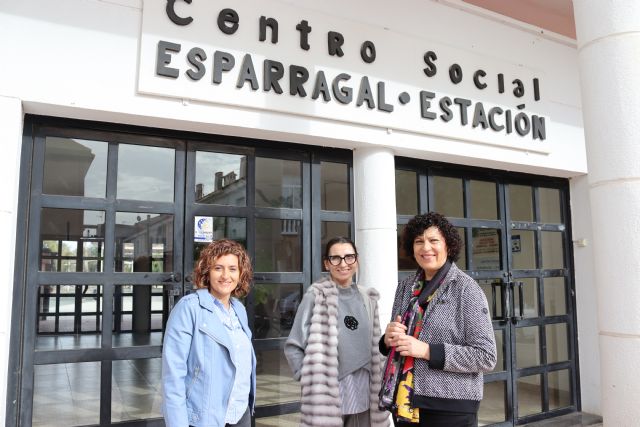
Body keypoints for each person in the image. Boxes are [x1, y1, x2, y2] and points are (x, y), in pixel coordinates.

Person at [379, 212, 497, 427]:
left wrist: (426, 350)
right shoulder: (406, 286)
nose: (426, 248)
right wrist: (387, 339)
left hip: (449, 408)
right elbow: (401, 340)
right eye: (418, 241)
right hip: (404, 401)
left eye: (434, 240)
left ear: (448, 246)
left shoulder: (466, 289)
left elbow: (485, 356)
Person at [285, 237, 390, 427]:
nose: (343, 264)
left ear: (356, 261)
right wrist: (311, 381)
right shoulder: (316, 296)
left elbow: (376, 345)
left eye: (349, 257)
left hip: (367, 389)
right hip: (331, 393)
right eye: (336, 258)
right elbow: (293, 345)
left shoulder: (368, 297)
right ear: (327, 263)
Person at [162, 239, 256, 427]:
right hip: (204, 419)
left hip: (240, 414)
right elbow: (173, 376)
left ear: (240, 273)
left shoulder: (239, 310)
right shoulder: (189, 308)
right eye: (218, 268)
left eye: (232, 269)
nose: (225, 276)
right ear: (207, 272)